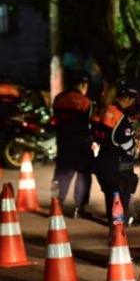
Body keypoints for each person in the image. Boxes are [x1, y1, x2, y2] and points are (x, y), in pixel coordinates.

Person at [92, 78, 139, 232]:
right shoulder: (120, 117)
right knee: (120, 205)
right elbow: (127, 146)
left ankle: (114, 238)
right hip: (117, 165)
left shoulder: (100, 110)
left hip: (102, 162)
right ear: (127, 98)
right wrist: (136, 146)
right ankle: (118, 244)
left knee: (110, 203)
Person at [52, 72, 94, 218]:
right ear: (83, 85)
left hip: (63, 142)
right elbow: (90, 123)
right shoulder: (85, 102)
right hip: (81, 144)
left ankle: (56, 205)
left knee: (60, 175)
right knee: (83, 175)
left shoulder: (58, 99)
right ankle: (79, 207)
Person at [0, 75, 22, 161]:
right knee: (11, 137)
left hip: (0, 117)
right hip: (12, 118)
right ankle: (9, 154)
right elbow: (19, 101)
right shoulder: (14, 90)